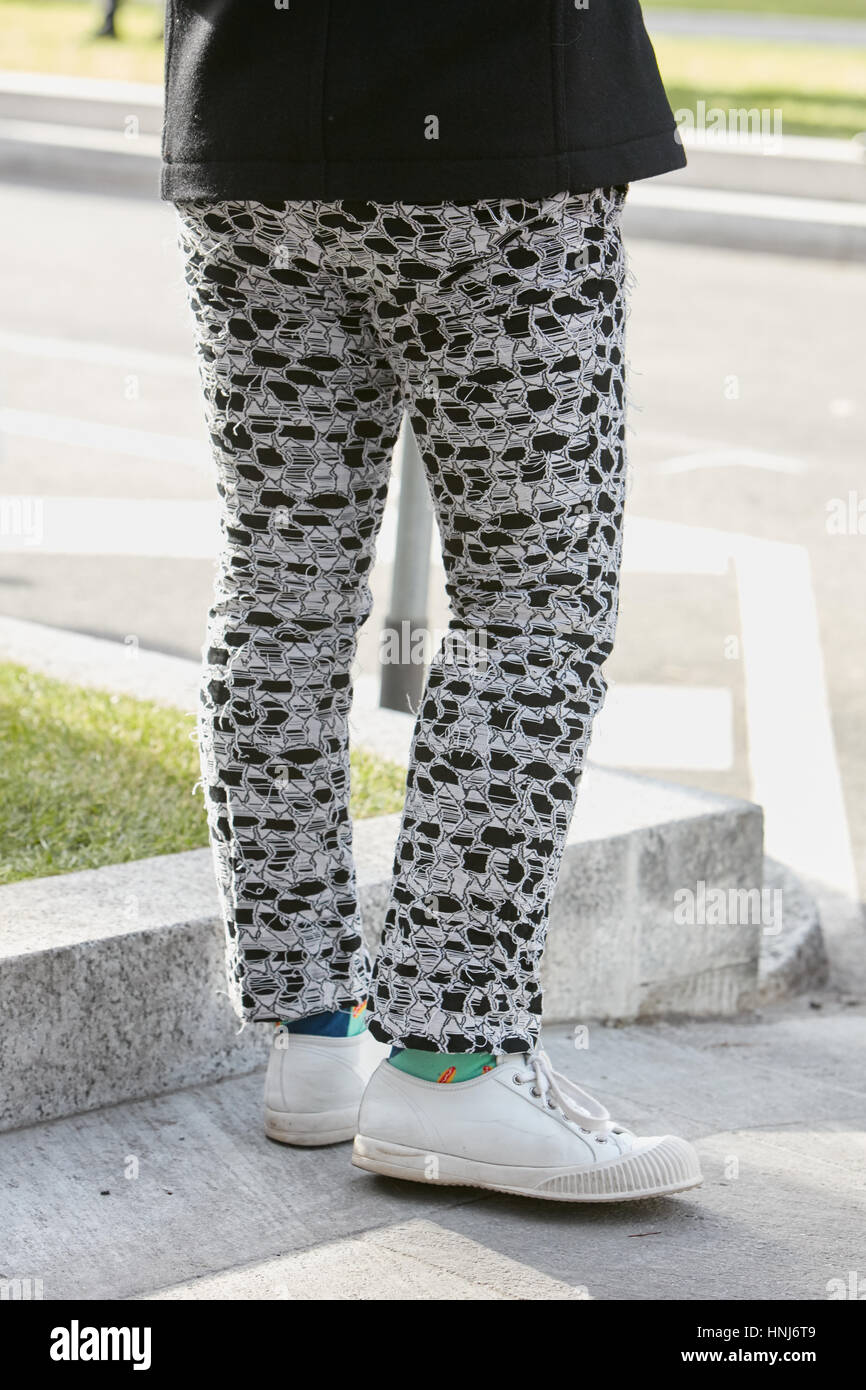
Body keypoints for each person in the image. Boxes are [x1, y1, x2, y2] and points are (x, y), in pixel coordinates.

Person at [162, 0, 702, 1202]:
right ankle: (449, 1065)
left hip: (251, 123)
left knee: (279, 579)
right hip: (494, 123)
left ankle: (312, 1037)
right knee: (532, 595)